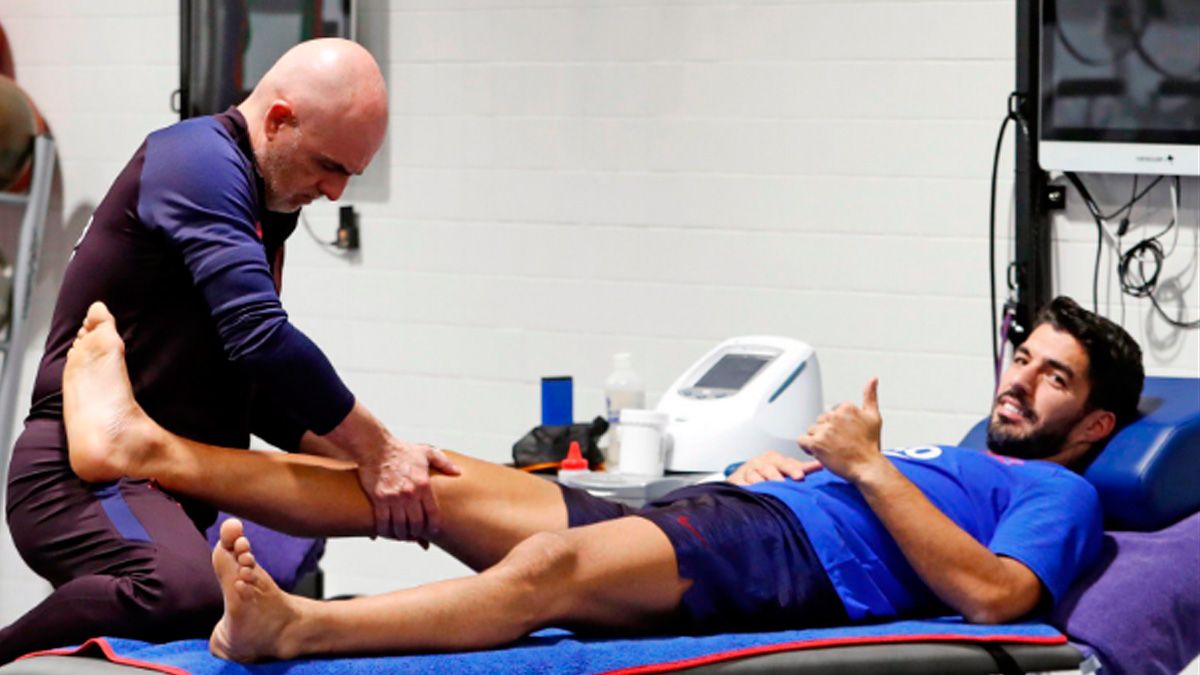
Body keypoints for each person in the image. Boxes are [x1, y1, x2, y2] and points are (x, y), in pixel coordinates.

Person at [57, 296, 1143, 662]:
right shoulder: (946, 459)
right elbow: (872, 499)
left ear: (1093, 421)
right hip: (745, 512)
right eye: (1023, 358)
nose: (1024, 383)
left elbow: (1000, 599)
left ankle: (295, 630)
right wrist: (786, 467)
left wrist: (858, 466)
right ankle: (142, 449)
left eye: (1057, 380)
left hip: (790, 563)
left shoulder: (1064, 494)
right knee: (417, 475)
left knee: (554, 567)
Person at [0, 39, 458, 662]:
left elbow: (254, 386)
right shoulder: (197, 161)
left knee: (274, 569)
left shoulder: (265, 206)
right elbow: (261, 338)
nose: (334, 192)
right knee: (185, 591)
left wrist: (382, 468)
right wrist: (377, 449)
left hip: (162, 484)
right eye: (329, 165)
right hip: (77, 475)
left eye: (351, 174)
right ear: (277, 120)